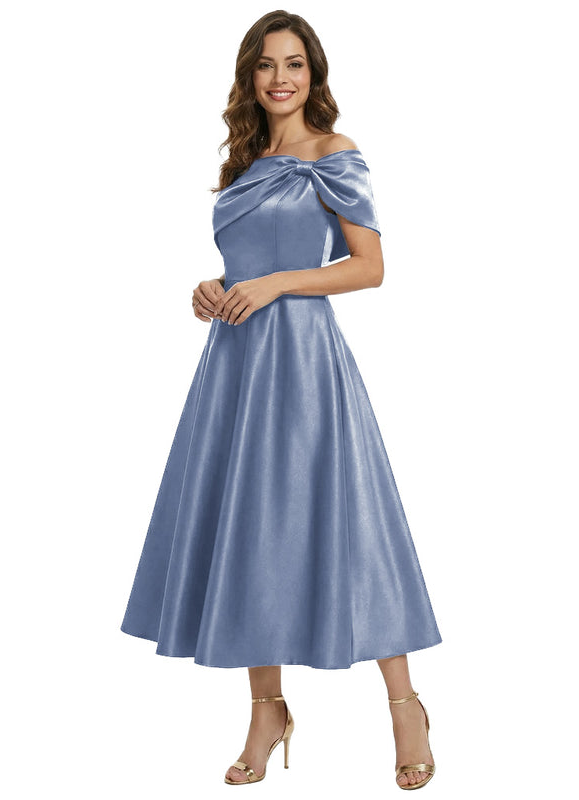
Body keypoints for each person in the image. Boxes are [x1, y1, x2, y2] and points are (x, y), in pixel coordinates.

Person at [120, 10, 442, 791]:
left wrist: (276, 285)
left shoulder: (335, 154)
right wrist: (214, 288)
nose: (280, 78)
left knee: (350, 521)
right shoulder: (245, 162)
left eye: (294, 64)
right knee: (247, 527)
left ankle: (406, 706)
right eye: (266, 65)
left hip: (304, 361)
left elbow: (369, 268)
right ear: (250, 76)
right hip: (234, 363)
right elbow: (244, 265)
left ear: (313, 75)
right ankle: (267, 710)